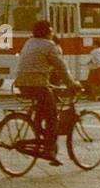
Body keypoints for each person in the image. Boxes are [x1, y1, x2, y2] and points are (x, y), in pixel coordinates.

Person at [13, 20, 76, 165]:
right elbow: (61, 67)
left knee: (44, 104)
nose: (52, 33)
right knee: (53, 114)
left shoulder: (29, 42)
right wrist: (71, 83)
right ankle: (49, 149)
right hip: (37, 84)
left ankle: (38, 127)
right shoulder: (49, 45)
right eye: (51, 31)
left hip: (22, 83)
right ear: (47, 32)